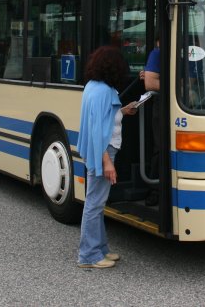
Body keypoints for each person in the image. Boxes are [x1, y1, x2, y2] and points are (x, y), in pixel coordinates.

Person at [76, 46, 137, 269]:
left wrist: (124, 109)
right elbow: (97, 130)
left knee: (97, 202)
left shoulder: (93, 87)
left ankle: (100, 248)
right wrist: (107, 161)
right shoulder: (104, 92)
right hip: (103, 151)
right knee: (94, 203)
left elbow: (102, 119)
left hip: (98, 150)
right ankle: (88, 255)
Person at [142, 37, 161, 206]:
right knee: (160, 147)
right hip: (162, 108)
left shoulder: (190, 53)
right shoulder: (157, 54)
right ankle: (155, 190)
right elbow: (150, 82)